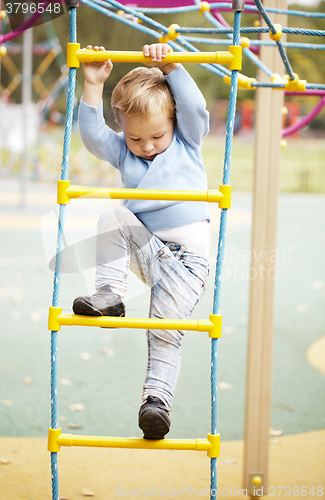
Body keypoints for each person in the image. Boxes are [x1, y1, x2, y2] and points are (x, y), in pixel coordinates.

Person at [73, 42, 210, 440]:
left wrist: (172, 66)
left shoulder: (187, 141)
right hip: (150, 251)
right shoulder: (125, 153)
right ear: (125, 133)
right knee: (113, 216)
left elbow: (196, 108)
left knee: (164, 332)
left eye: (156, 136)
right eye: (135, 139)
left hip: (188, 264)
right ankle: (110, 294)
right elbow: (94, 135)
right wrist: (93, 84)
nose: (147, 147)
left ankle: (156, 403)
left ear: (172, 123)